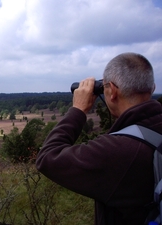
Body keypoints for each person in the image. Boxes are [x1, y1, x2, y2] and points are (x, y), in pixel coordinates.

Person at [36, 52, 162, 225]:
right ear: (153, 88)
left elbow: (47, 158)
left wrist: (78, 110)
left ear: (113, 91)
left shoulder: (118, 150)